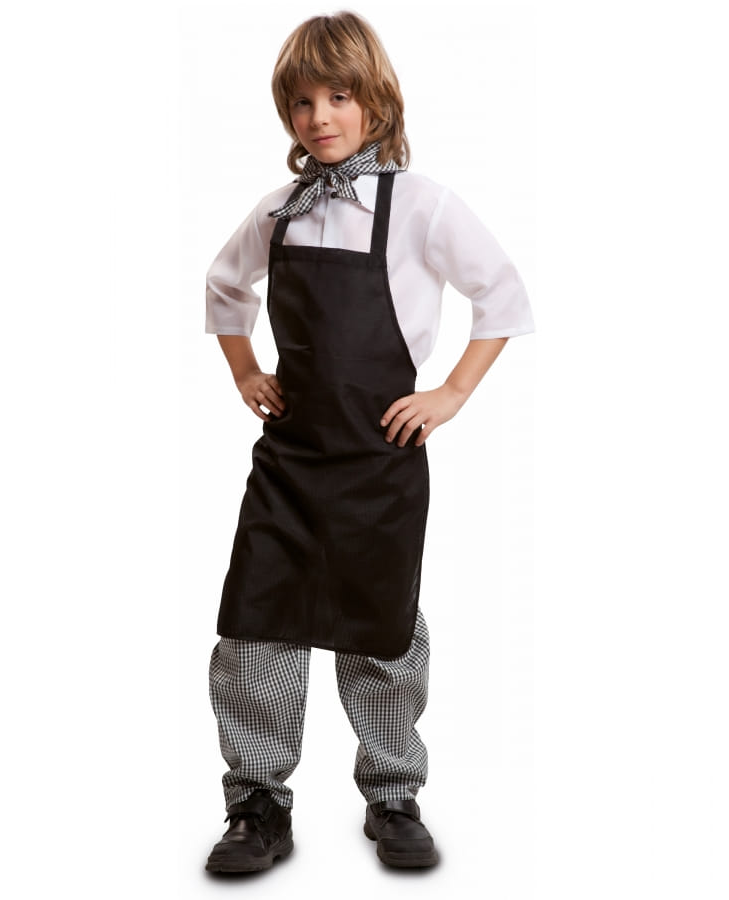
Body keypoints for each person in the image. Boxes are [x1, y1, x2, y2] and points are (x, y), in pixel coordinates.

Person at [203, 11, 534, 874]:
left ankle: (392, 795)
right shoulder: (278, 211)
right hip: (289, 462)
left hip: (380, 463)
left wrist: (451, 393)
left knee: (380, 627)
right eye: (302, 102)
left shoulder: (422, 206)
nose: (319, 116)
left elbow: (501, 294)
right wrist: (245, 371)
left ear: (376, 100)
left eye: (339, 97)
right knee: (257, 626)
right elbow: (224, 286)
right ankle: (257, 803)